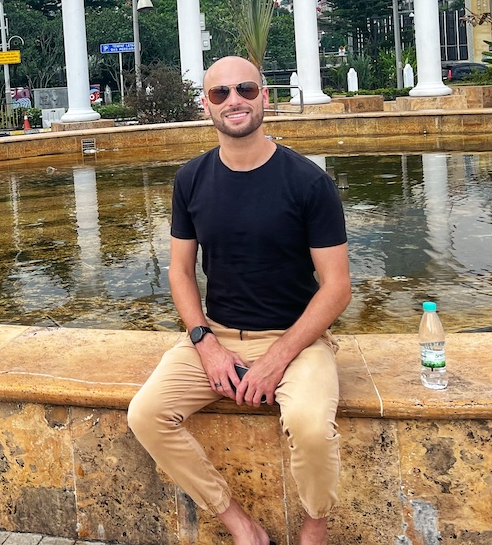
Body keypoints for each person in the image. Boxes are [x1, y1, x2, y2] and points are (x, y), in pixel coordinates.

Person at [127, 56, 351, 545]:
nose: (234, 102)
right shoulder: (190, 179)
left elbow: (337, 287)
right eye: (220, 94)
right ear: (205, 105)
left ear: (265, 97)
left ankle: (315, 523)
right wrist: (204, 342)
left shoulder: (308, 182)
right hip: (219, 334)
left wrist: (278, 357)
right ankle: (237, 521)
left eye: (246, 90)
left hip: (297, 340)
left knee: (310, 427)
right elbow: (181, 272)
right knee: (146, 414)